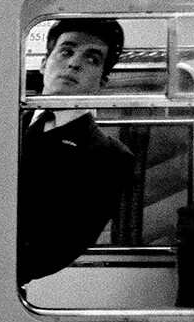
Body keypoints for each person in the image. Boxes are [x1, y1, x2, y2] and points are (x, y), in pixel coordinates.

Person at [19, 18, 136, 285]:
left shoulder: (109, 157)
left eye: (92, 59)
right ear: (43, 63)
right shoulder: (0, 123)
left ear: (102, 82)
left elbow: (59, 249)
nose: (74, 63)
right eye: (66, 51)